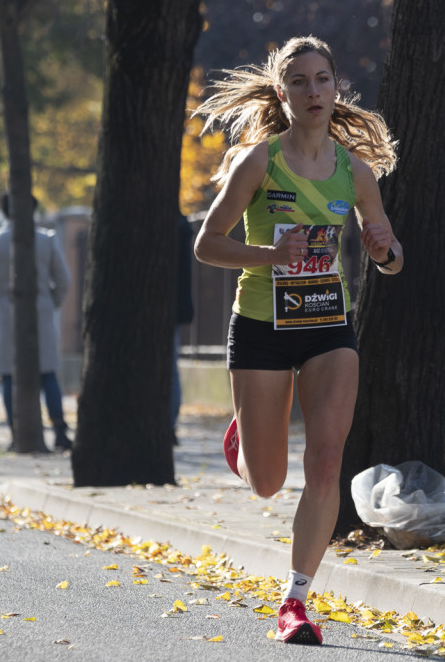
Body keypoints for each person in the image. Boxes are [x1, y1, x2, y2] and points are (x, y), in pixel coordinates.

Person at [192, 36, 403, 645]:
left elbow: (390, 256)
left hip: (326, 327)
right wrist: (267, 253)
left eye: (323, 80)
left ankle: (296, 600)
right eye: (300, 82)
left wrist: (385, 251)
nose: (313, 92)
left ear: (337, 89)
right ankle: (245, 429)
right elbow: (207, 245)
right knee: (267, 482)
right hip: (261, 328)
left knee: (329, 458)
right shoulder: (257, 162)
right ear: (282, 95)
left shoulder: (355, 172)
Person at [0, 192, 72, 451]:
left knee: (8, 376)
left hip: (4, 312)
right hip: (41, 309)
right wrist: (51, 301)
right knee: (48, 374)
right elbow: (64, 279)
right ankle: (59, 429)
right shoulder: (46, 240)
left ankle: (17, 432)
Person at [172, 212, 195, 438]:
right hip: (177, 306)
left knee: (169, 367)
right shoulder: (182, 225)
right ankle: (170, 422)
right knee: (171, 367)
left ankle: (169, 422)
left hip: (168, 306)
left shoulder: (169, 226)